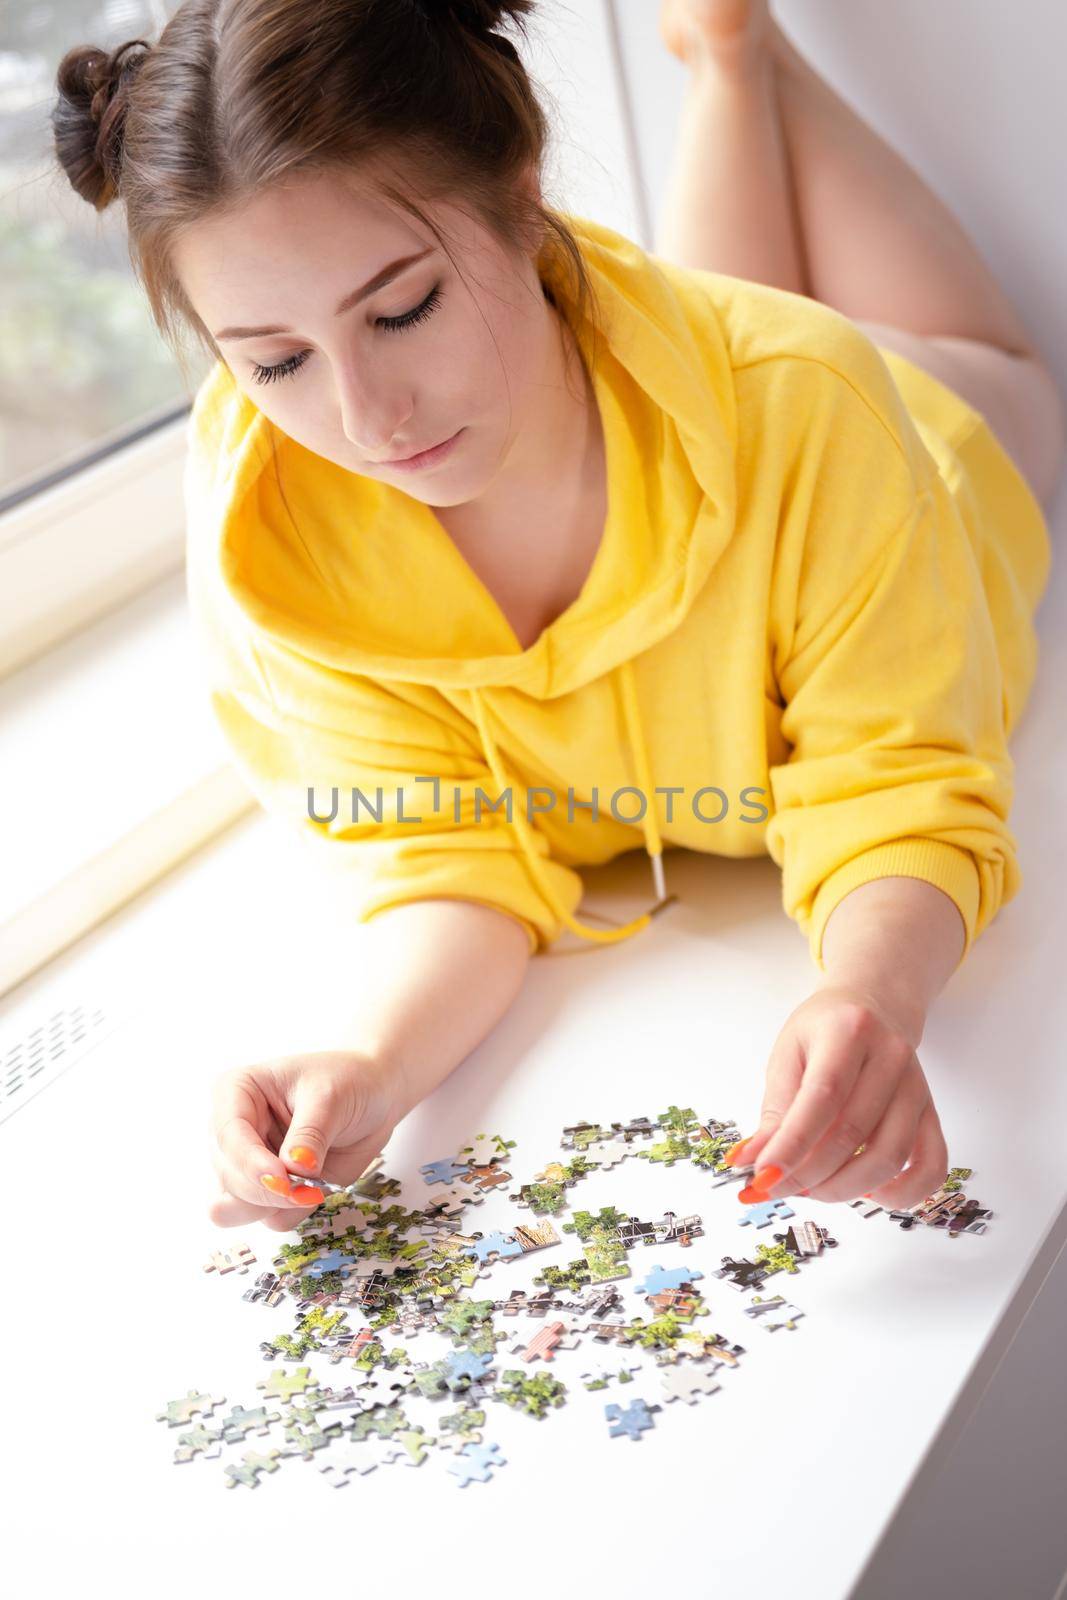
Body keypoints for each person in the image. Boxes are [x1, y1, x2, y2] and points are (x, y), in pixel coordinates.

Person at [51, 0, 1064, 1231]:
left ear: (524, 196)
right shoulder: (269, 525)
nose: (368, 420)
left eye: (400, 309)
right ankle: (729, 53)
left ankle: (740, 50)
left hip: (926, 432)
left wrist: (868, 994)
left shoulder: (816, 402)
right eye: (274, 362)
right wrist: (372, 1062)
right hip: (676, 386)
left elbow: (893, 783)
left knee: (969, 377)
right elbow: (444, 850)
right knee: (715, 329)